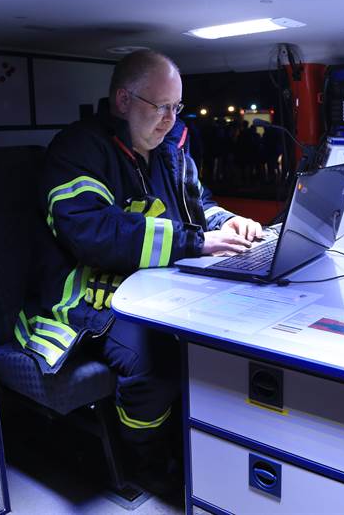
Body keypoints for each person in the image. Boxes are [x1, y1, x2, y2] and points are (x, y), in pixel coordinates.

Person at [16, 49, 263, 486]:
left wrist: (227, 222)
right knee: (158, 365)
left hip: (154, 287)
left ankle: (198, 442)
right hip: (90, 301)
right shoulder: (78, 150)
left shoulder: (169, 149)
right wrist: (195, 243)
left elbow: (198, 205)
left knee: (217, 340)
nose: (170, 119)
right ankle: (146, 462)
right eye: (161, 106)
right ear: (123, 100)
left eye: (176, 107)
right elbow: (94, 233)